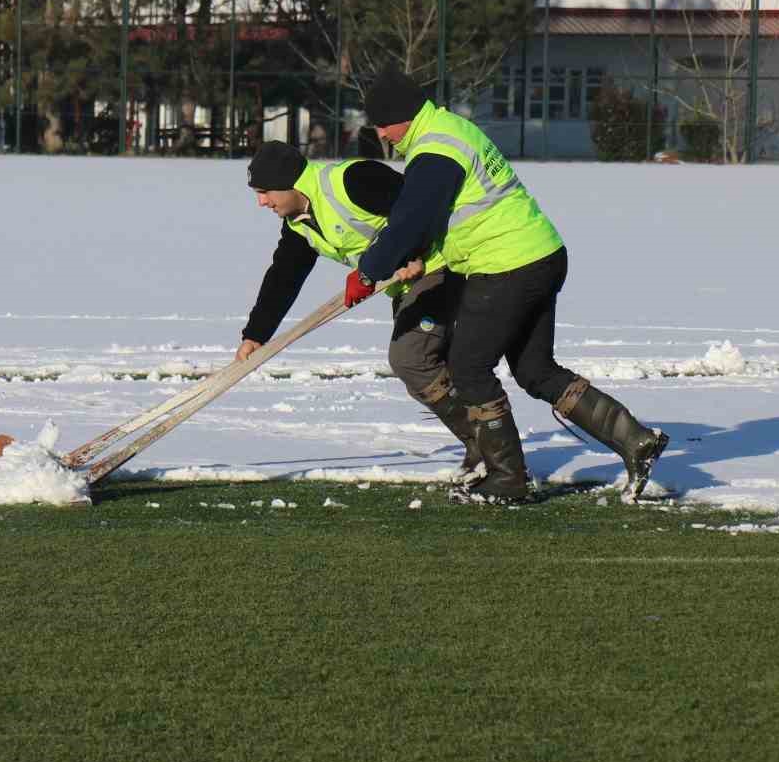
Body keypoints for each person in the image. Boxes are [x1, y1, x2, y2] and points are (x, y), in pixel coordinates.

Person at [347, 67, 668, 504]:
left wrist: (369, 269)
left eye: (383, 124)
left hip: (506, 264)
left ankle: (508, 478)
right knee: (536, 371)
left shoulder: (435, 148)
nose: (382, 134)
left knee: (469, 369)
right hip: (540, 253)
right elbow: (430, 215)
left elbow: (410, 219)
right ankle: (636, 440)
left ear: (403, 115)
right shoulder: (450, 130)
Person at [240, 140, 481, 481]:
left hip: (442, 267)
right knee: (430, 369)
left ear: (288, 182)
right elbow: (284, 276)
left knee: (411, 359)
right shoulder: (298, 224)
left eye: (265, 192)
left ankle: (488, 448)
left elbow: (418, 207)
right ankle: (489, 444)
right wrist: (256, 334)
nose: (261, 202)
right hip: (405, 285)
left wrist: (413, 254)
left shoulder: (353, 180)